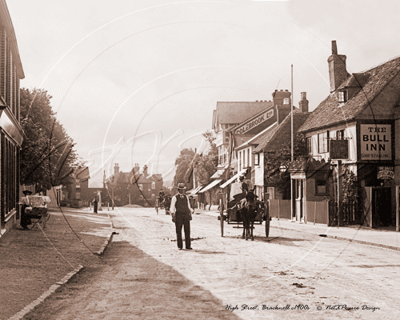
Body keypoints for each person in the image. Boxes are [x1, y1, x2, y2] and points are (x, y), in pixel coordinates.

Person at [170, 183, 194, 250]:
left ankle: (188, 246)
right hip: (179, 216)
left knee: (187, 231)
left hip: (186, 215)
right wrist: (173, 215)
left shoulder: (186, 197)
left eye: (183, 190)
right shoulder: (175, 198)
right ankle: (180, 246)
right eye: (180, 190)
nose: (182, 191)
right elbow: (172, 208)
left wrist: (191, 212)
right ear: (178, 190)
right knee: (178, 231)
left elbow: (189, 207)